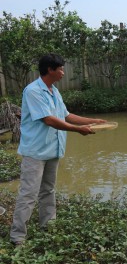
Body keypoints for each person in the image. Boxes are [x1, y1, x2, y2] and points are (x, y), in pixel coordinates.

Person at [10, 53, 107, 245]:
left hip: (52, 149)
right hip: (36, 151)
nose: (63, 72)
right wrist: (78, 130)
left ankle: (48, 225)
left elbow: (66, 115)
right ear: (50, 70)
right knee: (28, 193)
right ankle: (17, 236)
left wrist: (93, 121)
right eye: (60, 69)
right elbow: (48, 119)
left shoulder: (54, 91)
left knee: (48, 190)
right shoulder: (33, 91)